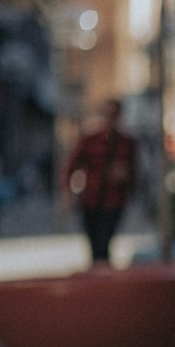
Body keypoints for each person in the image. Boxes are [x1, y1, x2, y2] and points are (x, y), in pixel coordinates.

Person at [62, 98, 137, 265]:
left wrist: (125, 179)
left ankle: (102, 278)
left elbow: (134, 173)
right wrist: (69, 192)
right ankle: (99, 277)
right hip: (91, 199)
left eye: (114, 115)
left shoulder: (127, 143)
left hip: (114, 201)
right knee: (94, 245)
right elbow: (71, 165)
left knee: (104, 242)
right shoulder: (90, 140)